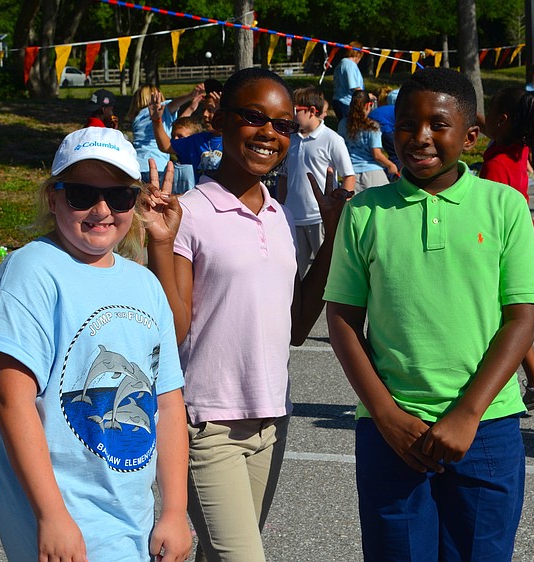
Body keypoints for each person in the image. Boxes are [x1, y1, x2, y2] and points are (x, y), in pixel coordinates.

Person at [325, 67, 534, 561]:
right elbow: (341, 319)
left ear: (471, 136)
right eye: (406, 124)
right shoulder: (365, 212)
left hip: (486, 426)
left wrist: (467, 415)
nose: (419, 137)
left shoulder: (504, 205)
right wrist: (384, 413)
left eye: (437, 124)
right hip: (391, 432)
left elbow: (522, 316)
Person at [142, 67, 348, 562]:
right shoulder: (187, 212)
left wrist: (334, 237)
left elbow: (297, 326)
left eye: (283, 125)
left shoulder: (277, 216)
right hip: (207, 424)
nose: (269, 134)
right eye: (254, 118)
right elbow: (173, 329)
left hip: (272, 420)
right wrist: (160, 245)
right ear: (221, 120)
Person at [0, 127, 190, 562]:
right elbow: (10, 400)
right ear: (52, 198)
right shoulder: (30, 272)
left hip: (134, 517)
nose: (102, 209)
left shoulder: (145, 284)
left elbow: (167, 401)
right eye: (81, 193)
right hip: (65, 520)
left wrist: (174, 510)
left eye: (120, 196)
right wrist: (52, 516)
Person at [479, 86, 534, 410]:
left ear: (504, 120)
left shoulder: (496, 162)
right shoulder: (518, 147)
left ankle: (525, 384)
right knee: (511, 312)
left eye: (492, 108)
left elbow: (489, 212)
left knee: (503, 316)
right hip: (524, 233)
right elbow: (489, 123)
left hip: (504, 239)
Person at [277, 85, 355, 277]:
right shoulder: (291, 139)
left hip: (320, 218)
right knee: (293, 275)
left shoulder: (332, 139)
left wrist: (338, 209)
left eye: (296, 111)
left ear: (312, 111)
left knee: (327, 274)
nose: (291, 115)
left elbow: (349, 177)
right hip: (293, 218)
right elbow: (284, 177)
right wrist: (280, 208)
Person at [127, 84, 203, 182]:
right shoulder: (161, 110)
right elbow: (174, 104)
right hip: (157, 166)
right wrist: (190, 95)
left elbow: (176, 126)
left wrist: (191, 108)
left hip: (137, 167)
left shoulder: (137, 117)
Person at [150, 89, 222, 181]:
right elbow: (166, 146)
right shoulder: (197, 140)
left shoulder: (234, 140)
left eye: (211, 110)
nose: (205, 114)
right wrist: (157, 120)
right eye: (204, 109)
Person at [339, 89, 399, 192]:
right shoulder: (372, 126)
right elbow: (376, 155)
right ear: (368, 105)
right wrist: (391, 165)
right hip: (373, 173)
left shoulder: (343, 124)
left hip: (350, 173)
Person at [368, 86, 401, 168]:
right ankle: (394, 174)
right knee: (397, 154)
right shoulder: (408, 113)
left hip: (373, 123)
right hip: (383, 127)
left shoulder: (396, 108)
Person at [332, 42, 365, 120]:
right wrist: (366, 96)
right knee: (347, 129)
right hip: (345, 102)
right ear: (358, 54)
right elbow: (354, 87)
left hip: (340, 101)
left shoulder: (343, 63)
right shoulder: (349, 65)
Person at [170, 116, 202, 195]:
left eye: (180, 137)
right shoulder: (172, 166)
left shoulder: (199, 168)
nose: (175, 140)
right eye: (173, 136)